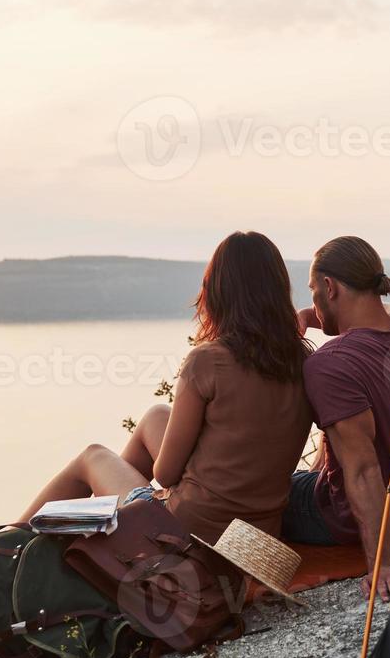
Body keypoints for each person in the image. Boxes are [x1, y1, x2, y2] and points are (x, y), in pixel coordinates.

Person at [17, 231, 313, 543]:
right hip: (257, 537)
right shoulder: (304, 361)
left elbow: (166, 475)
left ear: (217, 291)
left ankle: (6, 546)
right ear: (279, 289)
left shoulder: (208, 361)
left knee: (92, 457)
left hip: (190, 531)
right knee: (157, 415)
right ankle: (105, 534)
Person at [283, 236, 390, 601]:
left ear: (329, 287)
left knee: (261, 490)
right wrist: (312, 316)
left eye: (312, 291)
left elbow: (363, 470)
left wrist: (381, 564)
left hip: (341, 518)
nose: (312, 303)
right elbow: (389, 312)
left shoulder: (330, 364)